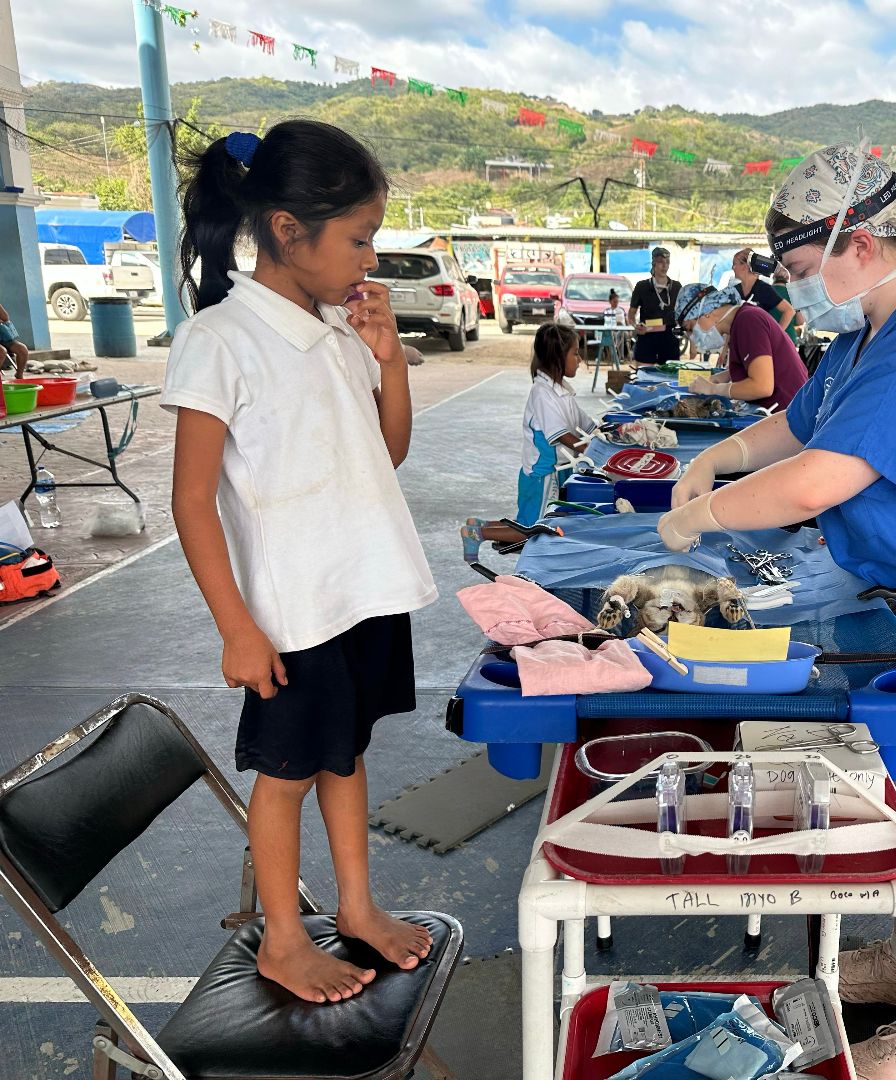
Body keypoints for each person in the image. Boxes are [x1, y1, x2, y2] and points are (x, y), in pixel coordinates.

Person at [657, 144, 896, 1080]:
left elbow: (823, 476)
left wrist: (703, 515)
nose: (797, 288)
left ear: (857, 242)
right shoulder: (867, 335)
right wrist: (717, 460)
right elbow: (794, 429)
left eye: (798, 268)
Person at [163, 120, 438, 1005]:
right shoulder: (223, 339)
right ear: (288, 230)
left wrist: (389, 360)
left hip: (361, 589)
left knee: (346, 756)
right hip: (292, 608)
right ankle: (282, 938)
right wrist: (236, 627)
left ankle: (355, 905)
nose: (369, 258)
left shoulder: (336, 331)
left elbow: (386, 452)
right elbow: (190, 498)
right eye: (358, 239)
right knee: (284, 779)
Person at [461, 322, 594, 560]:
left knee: (531, 522)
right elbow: (560, 434)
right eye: (575, 353)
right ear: (557, 358)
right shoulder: (542, 394)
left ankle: (481, 524)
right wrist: (592, 450)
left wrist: (604, 432)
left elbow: (582, 422)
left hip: (555, 470)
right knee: (533, 531)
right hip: (542, 475)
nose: (580, 359)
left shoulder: (560, 390)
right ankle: (477, 532)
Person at [675, 283, 807, 411]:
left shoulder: (748, 320)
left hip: (788, 412)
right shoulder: (740, 321)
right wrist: (721, 378)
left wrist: (713, 389)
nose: (693, 336)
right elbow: (755, 365)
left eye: (691, 328)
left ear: (705, 312)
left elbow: (762, 386)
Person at [628, 247, 682, 366]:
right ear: (654, 263)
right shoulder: (642, 286)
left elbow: (683, 314)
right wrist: (636, 327)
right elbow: (631, 315)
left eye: (667, 262)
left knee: (670, 376)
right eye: (660, 262)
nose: (664, 266)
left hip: (669, 337)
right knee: (643, 375)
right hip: (647, 335)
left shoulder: (677, 287)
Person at [732, 248, 796, 333]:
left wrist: (774, 335)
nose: (732, 268)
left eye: (734, 264)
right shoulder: (736, 290)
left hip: (758, 341)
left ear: (745, 266)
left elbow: (789, 311)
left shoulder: (762, 289)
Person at [0, 302, 29, 380]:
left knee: (22, 349)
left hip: (2, 338)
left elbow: (5, 318)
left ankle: (19, 375)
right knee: (2, 351)